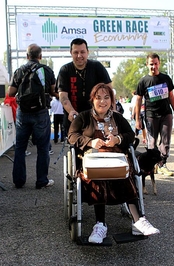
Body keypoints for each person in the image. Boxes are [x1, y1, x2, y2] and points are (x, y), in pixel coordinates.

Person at [68, 83, 160, 244]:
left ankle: (138, 221)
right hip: (92, 161)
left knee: (126, 172)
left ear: (111, 100)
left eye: (106, 98)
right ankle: (100, 224)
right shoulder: (83, 117)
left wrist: (117, 139)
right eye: (98, 98)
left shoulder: (117, 117)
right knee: (98, 175)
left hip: (116, 159)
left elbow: (131, 136)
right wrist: (90, 142)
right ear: (92, 100)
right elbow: (72, 136)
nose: (102, 102)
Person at [8, 43, 57, 189]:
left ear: (27, 56)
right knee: (43, 148)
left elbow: (11, 92)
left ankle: (19, 181)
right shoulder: (47, 70)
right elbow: (53, 90)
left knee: (20, 148)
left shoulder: (19, 71)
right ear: (40, 56)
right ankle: (41, 181)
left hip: (23, 113)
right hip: (41, 112)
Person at [135, 53, 174, 176]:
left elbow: (171, 96)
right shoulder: (143, 81)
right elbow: (138, 100)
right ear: (147, 65)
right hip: (151, 115)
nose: (153, 66)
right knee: (152, 142)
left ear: (159, 63)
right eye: (151, 64)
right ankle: (150, 165)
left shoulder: (166, 78)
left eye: (155, 63)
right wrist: (137, 118)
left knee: (165, 141)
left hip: (166, 114)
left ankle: (162, 164)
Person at [56, 38, 112, 134]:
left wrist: (112, 111)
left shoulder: (97, 67)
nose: (79, 56)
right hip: (74, 119)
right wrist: (71, 111)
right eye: (75, 52)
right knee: (75, 146)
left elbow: (109, 92)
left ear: (87, 52)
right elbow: (63, 96)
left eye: (82, 52)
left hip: (96, 119)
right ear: (71, 53)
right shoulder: (65, 70)